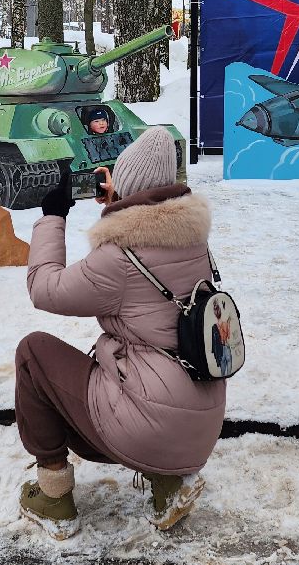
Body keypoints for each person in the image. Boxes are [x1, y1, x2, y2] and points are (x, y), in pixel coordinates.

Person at [14, 126, 223, 539]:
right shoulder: (195, 241)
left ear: (126, 186)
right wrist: (119, 207)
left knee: (33, 353)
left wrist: (53, 215)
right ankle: (168, 484)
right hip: (199, 424)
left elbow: (45, 289)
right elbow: (142, 245)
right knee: (142, 369)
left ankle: (53, 497)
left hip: (147, 427)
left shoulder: (119, 259)